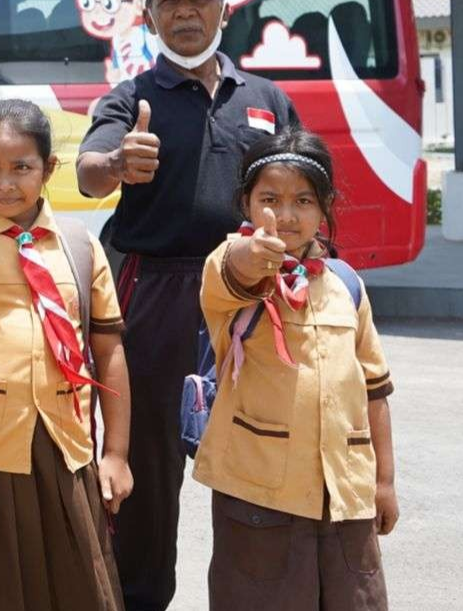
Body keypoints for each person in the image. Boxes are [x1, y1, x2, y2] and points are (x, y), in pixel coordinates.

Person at [74, 0, 300, 611]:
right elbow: (89, 170)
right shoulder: (131, 97)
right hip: (158, 297)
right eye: (169, 0)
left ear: (224, 9)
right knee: (145, 465)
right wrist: (118, 160)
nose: (185, 12)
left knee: (264, 451)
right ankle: (139, 599)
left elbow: (305, 191)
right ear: (149, 15)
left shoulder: (265, 99)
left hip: (254, 294)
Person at [0, 99, 132, 611]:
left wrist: (117, 454)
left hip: (64, 444)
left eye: (22, 168)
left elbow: (108, 350)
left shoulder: (80, 248)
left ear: (49, 170)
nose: (6, 183)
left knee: (76, 580)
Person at [195, 129, 396, 611]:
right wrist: (253, 255)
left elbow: (374, 390)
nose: (285, 215)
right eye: (269, 199)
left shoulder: (346, 284)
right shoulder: (228, 264)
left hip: (344, 494)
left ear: (324, 206)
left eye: (302, 200)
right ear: (246, 203)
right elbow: (236, 269)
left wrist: (384, 483)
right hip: (259, 497)